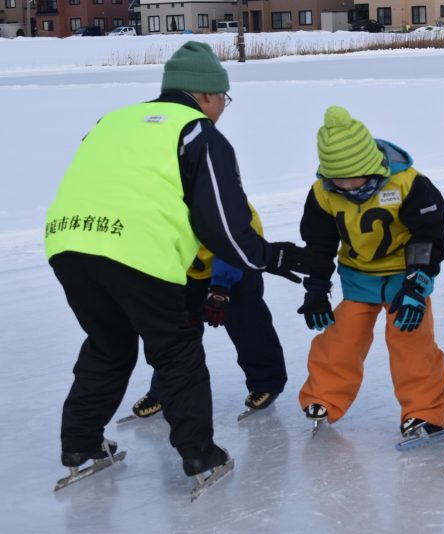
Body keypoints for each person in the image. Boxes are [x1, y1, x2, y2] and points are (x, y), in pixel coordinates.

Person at [45, 41, 309, 487]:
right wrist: (268, 257)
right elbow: (222, 223)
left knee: (108, 345)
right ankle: (200, 456)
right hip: (139, 252)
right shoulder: (196, 132)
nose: (223, 108)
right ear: (205, 94)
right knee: (176, 350)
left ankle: (80, 444)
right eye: (224, 98)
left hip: (68, 244)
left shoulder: (113, 120)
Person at [296, 105, 444, 441]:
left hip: (405, 277)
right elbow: (319, 244)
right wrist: (316, 289)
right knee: (341, 338)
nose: (345, 186)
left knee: (411, 342)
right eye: (337, 179)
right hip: (359, 277)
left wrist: (417, 283)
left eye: (351, 177)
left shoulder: (408, 184)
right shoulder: (323, 193)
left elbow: (428, 234)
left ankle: (428, 412)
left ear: (370, 166)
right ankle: (323, 398)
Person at [130, 203, 287, 420]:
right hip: (191, 266)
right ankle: (166, 389)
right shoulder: (150, 199)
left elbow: (232, 235)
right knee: (177, 330)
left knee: (246, 321)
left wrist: (221, 286)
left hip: (238, 255)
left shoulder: (210, 192)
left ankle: (266, 383)